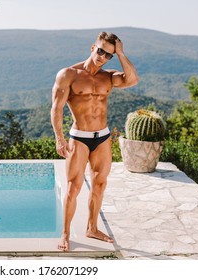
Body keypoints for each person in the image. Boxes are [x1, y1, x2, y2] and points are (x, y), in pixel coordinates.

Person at [51, 32, 139, 251]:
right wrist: (59, 139)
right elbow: (56, 108)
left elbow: (132, 80)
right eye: (100, 51)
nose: (102, 57)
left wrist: (120, 53)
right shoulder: (68, 74)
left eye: (108, 55)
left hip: (102, 137)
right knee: (74, 187)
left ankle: (92, 227)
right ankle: (65, 233)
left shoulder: (108, 76)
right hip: (79, 137)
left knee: (100, 184)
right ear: (92, 47)